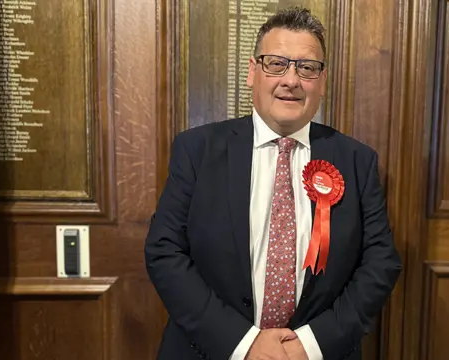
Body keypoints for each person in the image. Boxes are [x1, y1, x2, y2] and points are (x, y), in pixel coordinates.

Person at [145, 6, 402, 360]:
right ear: (253, 72)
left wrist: (311, 345)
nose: (291, 80)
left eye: (307, 67)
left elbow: (381, 262)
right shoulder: (197, 150)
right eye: (276, 63)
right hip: (209, 350)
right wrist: (244, 342)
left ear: (322, 81)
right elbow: (164, 251)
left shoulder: (357, 160)